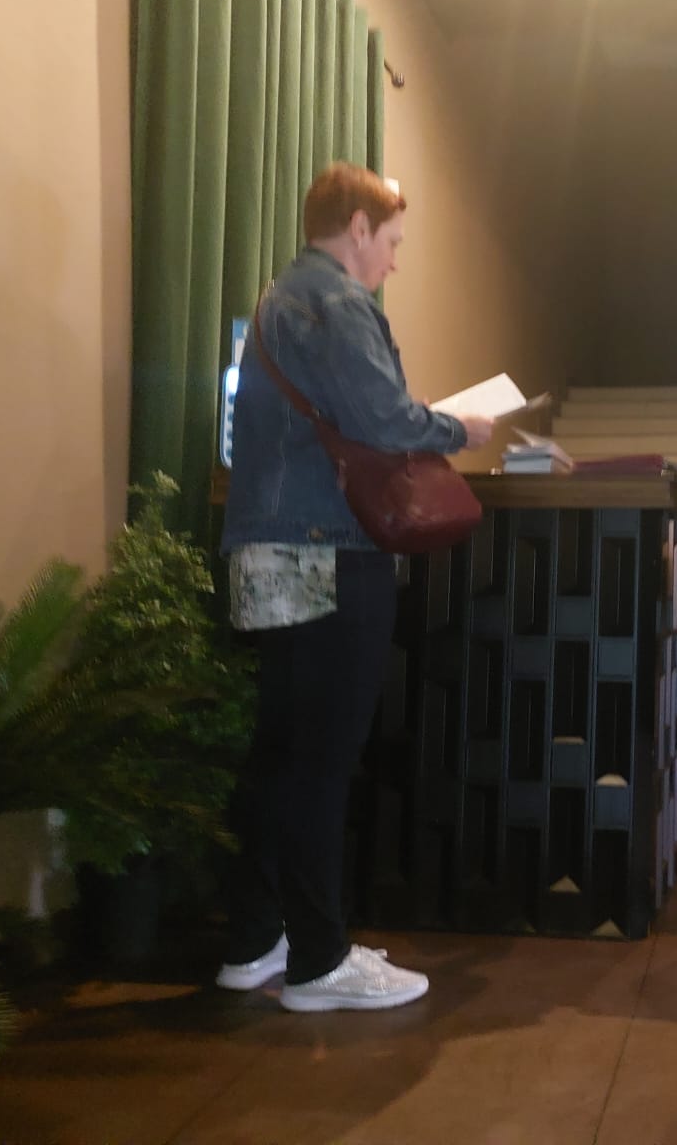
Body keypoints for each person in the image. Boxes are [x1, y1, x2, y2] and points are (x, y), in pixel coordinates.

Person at [216, 162, 494, 1013]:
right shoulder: (337, 301)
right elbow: (381, 418)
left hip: (267, 548)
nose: (394, 261)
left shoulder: (278, 299)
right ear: (359, 227)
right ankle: (320, 960)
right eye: (392, 241)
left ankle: (256, 941)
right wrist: (461, 426)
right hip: (327, 550)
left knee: (280, 753)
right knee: (323, 760)